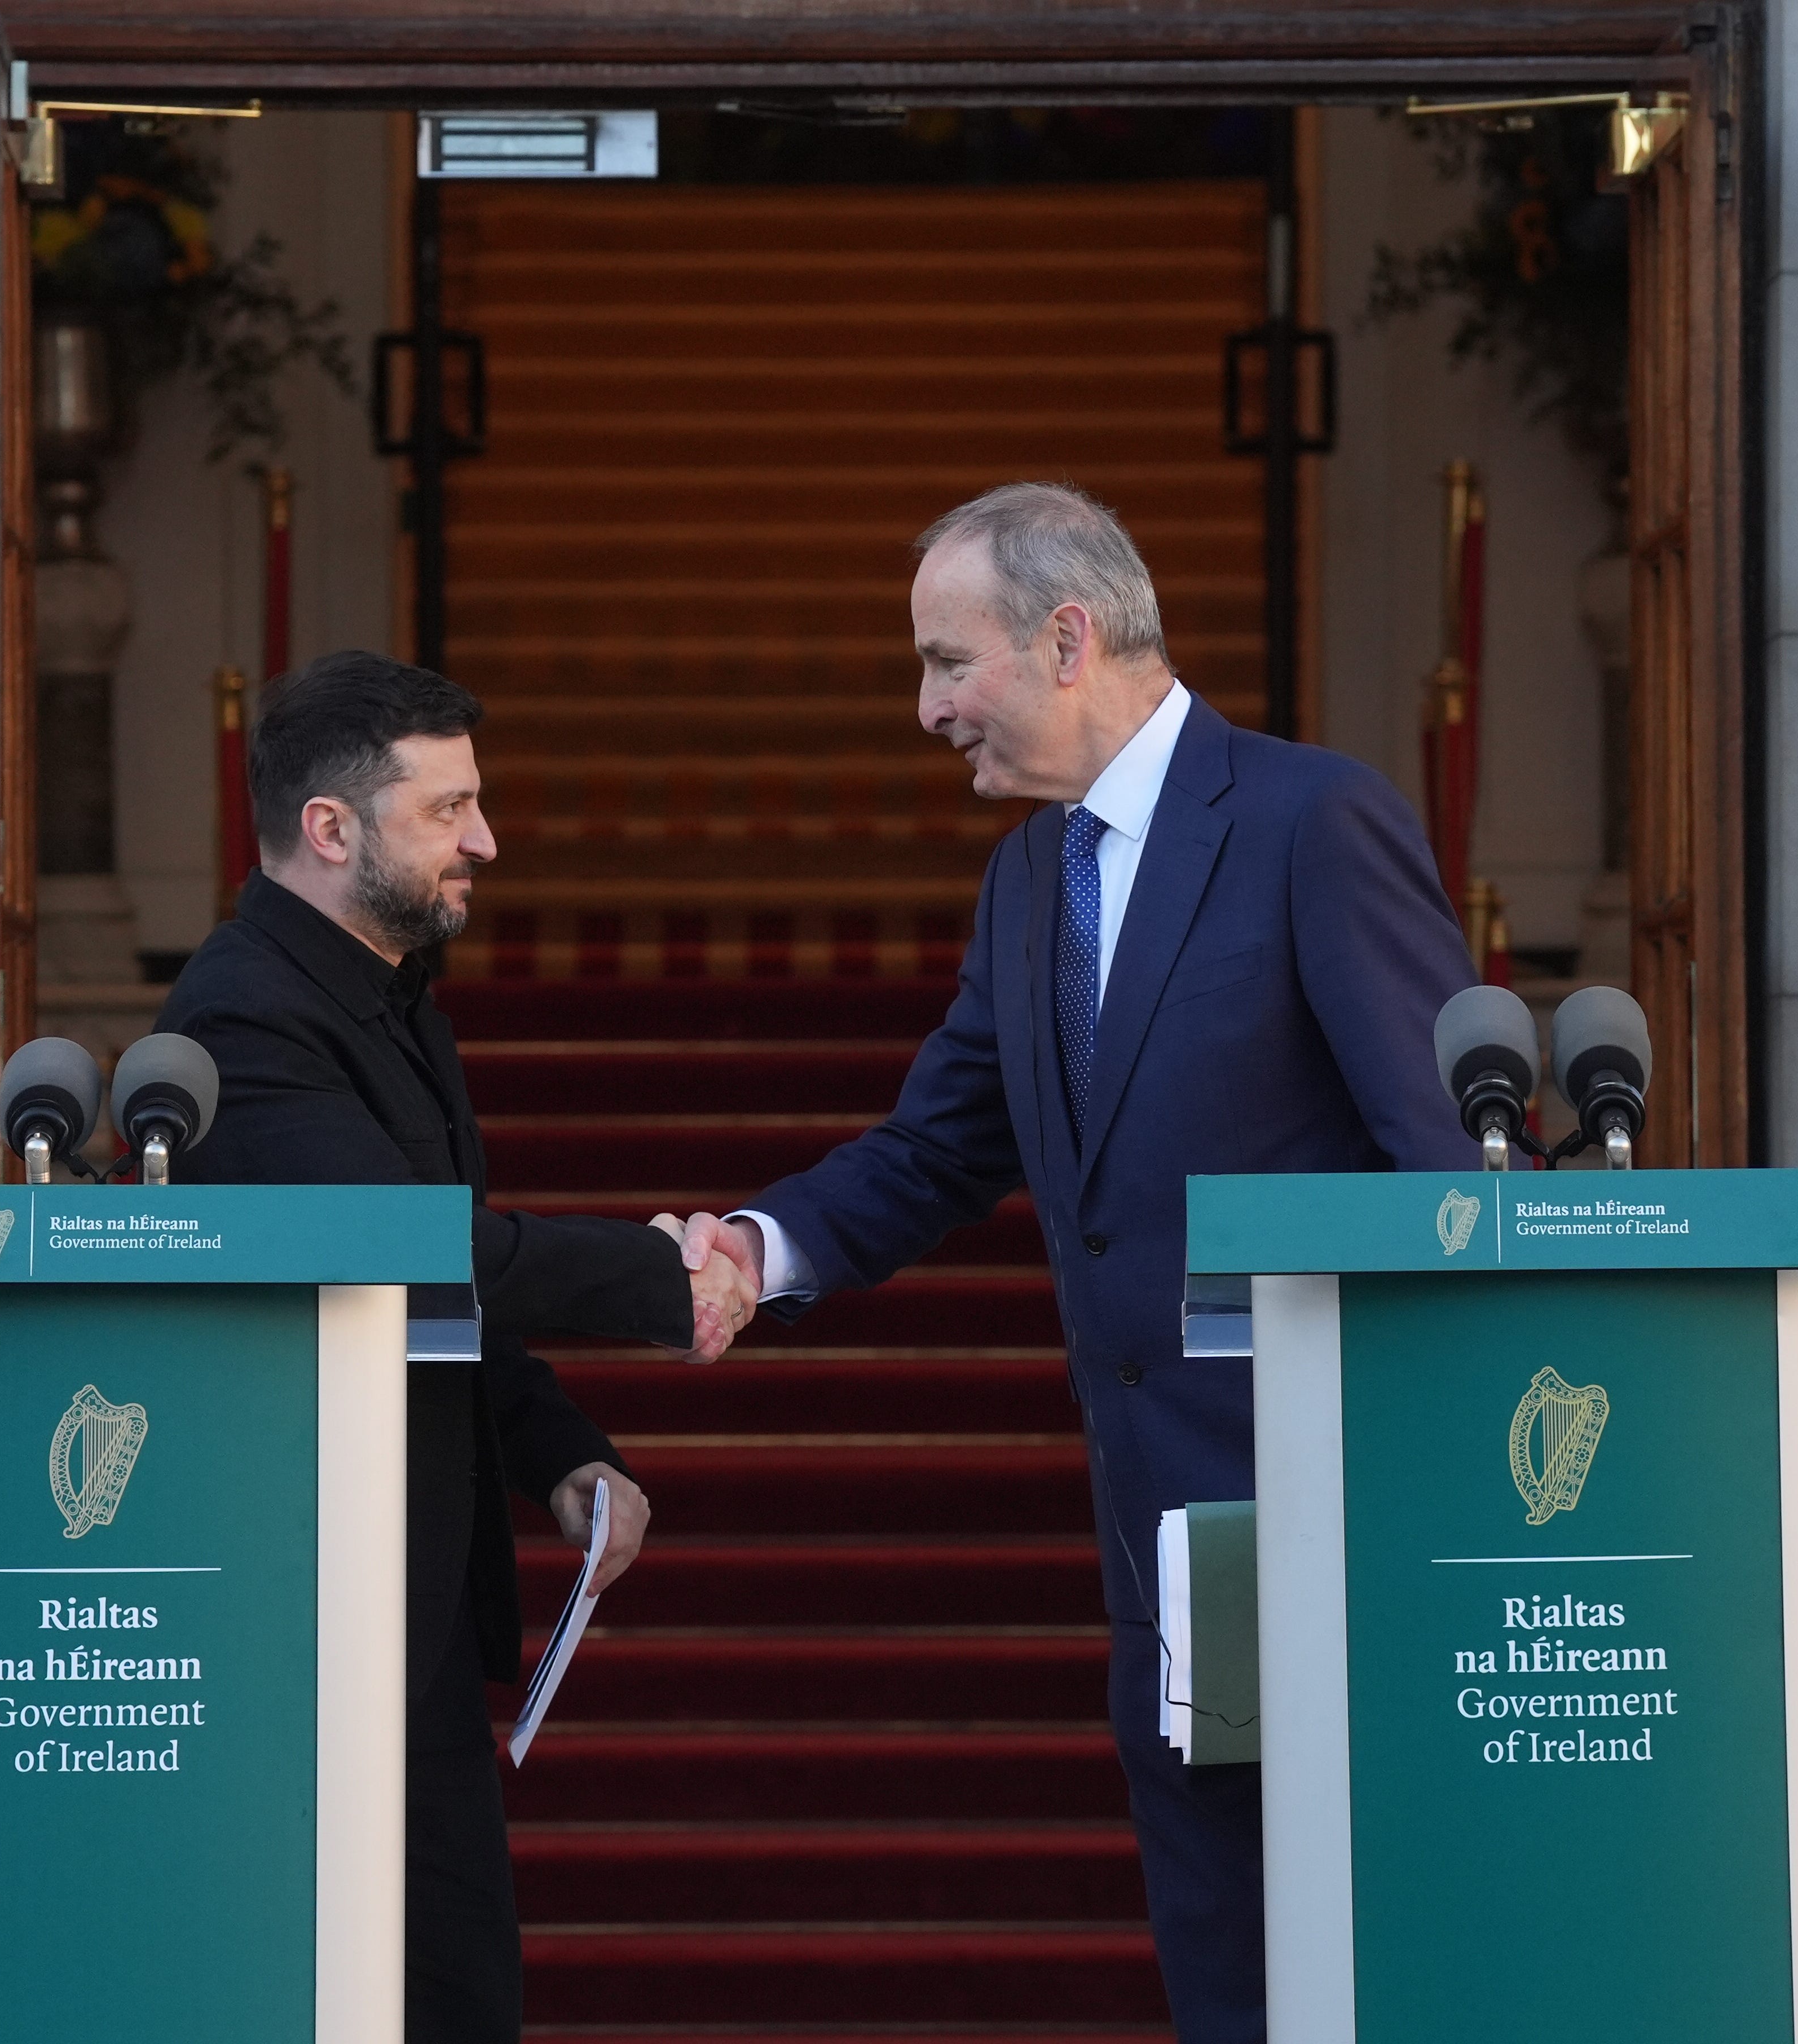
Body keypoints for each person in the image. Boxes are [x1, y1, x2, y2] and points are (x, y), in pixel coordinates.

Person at [680, 482, 1477, 2044]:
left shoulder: (1311, 822)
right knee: (1229, 1977)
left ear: (1065, 639)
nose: (927, 711)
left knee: (1387, 1973)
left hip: (1345, 1544)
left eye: (945, 662)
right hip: (1163, 1558)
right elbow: (936, 1150)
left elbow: (1445, 1172)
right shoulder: (1032, 878)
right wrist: (750, 1253)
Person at [157, 650, 759, 2044]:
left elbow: (438, 1302)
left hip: (404, 1610)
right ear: (331, 829)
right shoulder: (245, 1014)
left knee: (459, 1991)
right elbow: (408, 1251)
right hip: (308, 1619)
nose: (484, 840)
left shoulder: (388, 994)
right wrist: (661, 1276)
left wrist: (561, 1455)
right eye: (449, 809)